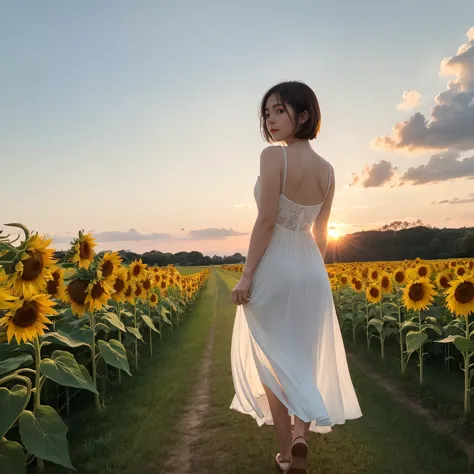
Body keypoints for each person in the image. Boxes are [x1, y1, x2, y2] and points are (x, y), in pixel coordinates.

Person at [229, 81, 362, 473]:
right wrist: (312, 273)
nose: (270, 120)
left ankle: (287, 456)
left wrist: (246, 275)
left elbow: (267, 219)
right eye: (267, 112)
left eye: (280, 111)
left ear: (304, 115)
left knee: (272, 361)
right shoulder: (329, 171)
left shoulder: (273, 158)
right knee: (303, 357)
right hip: (311, 271)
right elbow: (322, 232)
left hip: (275, 268)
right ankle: (302, 436)